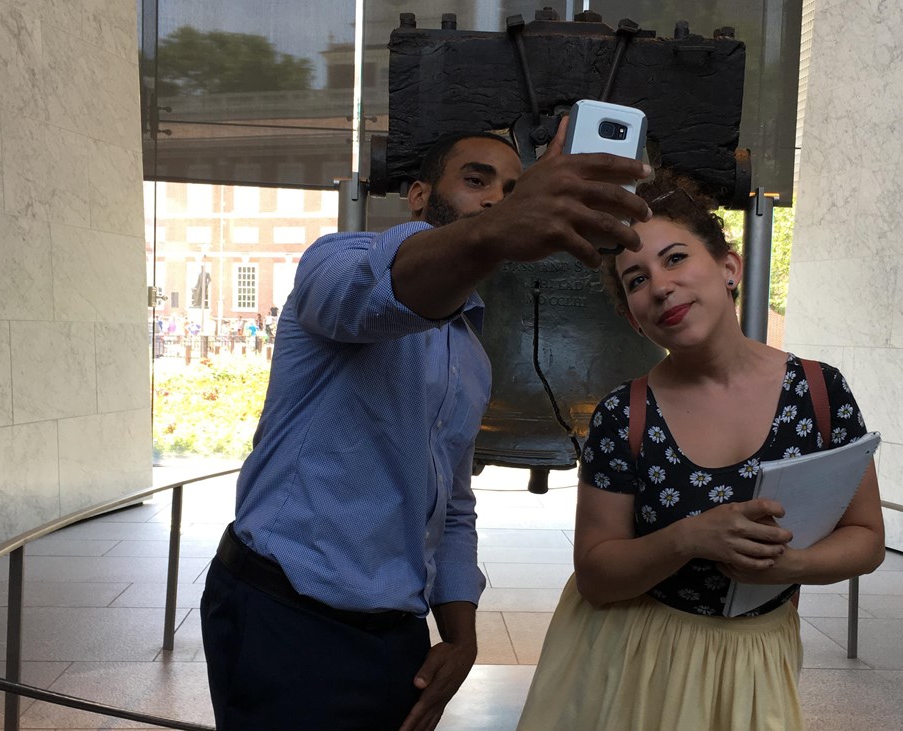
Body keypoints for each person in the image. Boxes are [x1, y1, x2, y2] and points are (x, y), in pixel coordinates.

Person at [200, 121, 652, 731]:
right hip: (285, 613)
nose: (499, 198)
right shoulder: (334, 260)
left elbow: (453, 502)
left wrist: (460, 637)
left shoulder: (471, 357)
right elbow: (377, 294)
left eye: (515, 188)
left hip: (398, 632)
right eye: (477, 180)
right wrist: (497, 231)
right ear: (418, 195)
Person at [514, 170, 886, 730]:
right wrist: (691, 537)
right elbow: (596, 574)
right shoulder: (626, 416)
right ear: (632, 317)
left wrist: (792, 566)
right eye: (636, 280)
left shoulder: (818, 393)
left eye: (676, 258)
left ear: (729, 267)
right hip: (633, 656)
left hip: (756, 660)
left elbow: (867, 538)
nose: (660, 286)